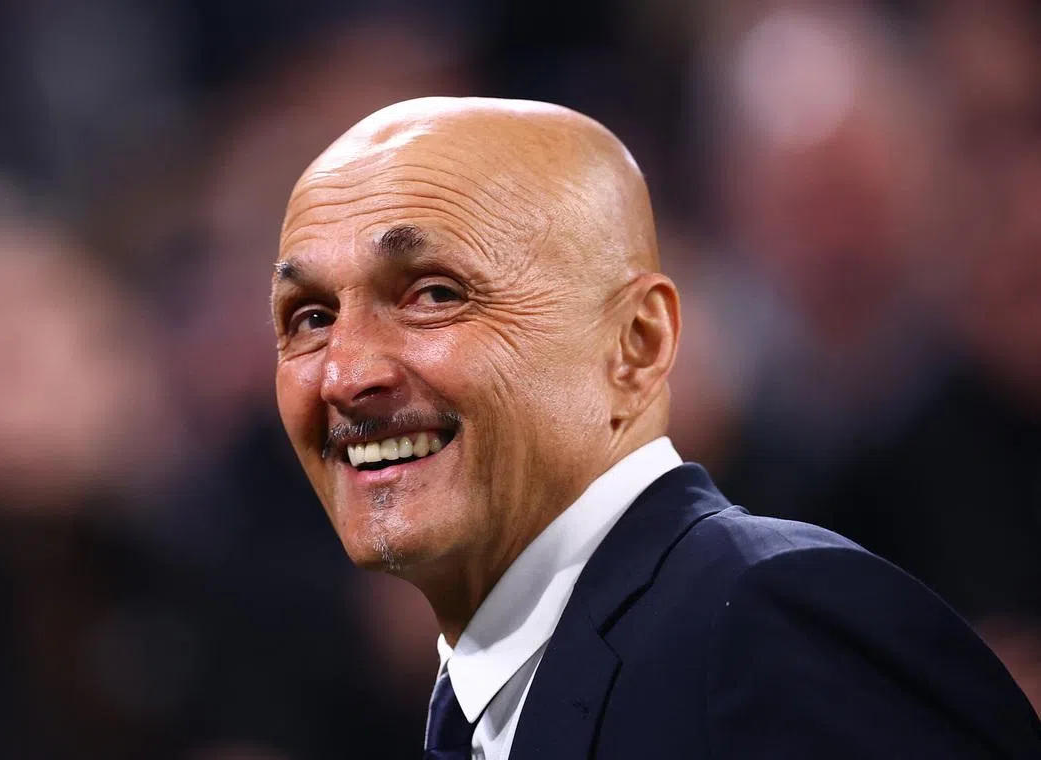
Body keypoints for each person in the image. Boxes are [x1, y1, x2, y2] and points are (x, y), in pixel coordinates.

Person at [270, 97, 1041, 759]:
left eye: (432, 294)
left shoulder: (771, 628)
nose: (344, 374)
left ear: (637, 346)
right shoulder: (488, 699)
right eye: (310, 318)